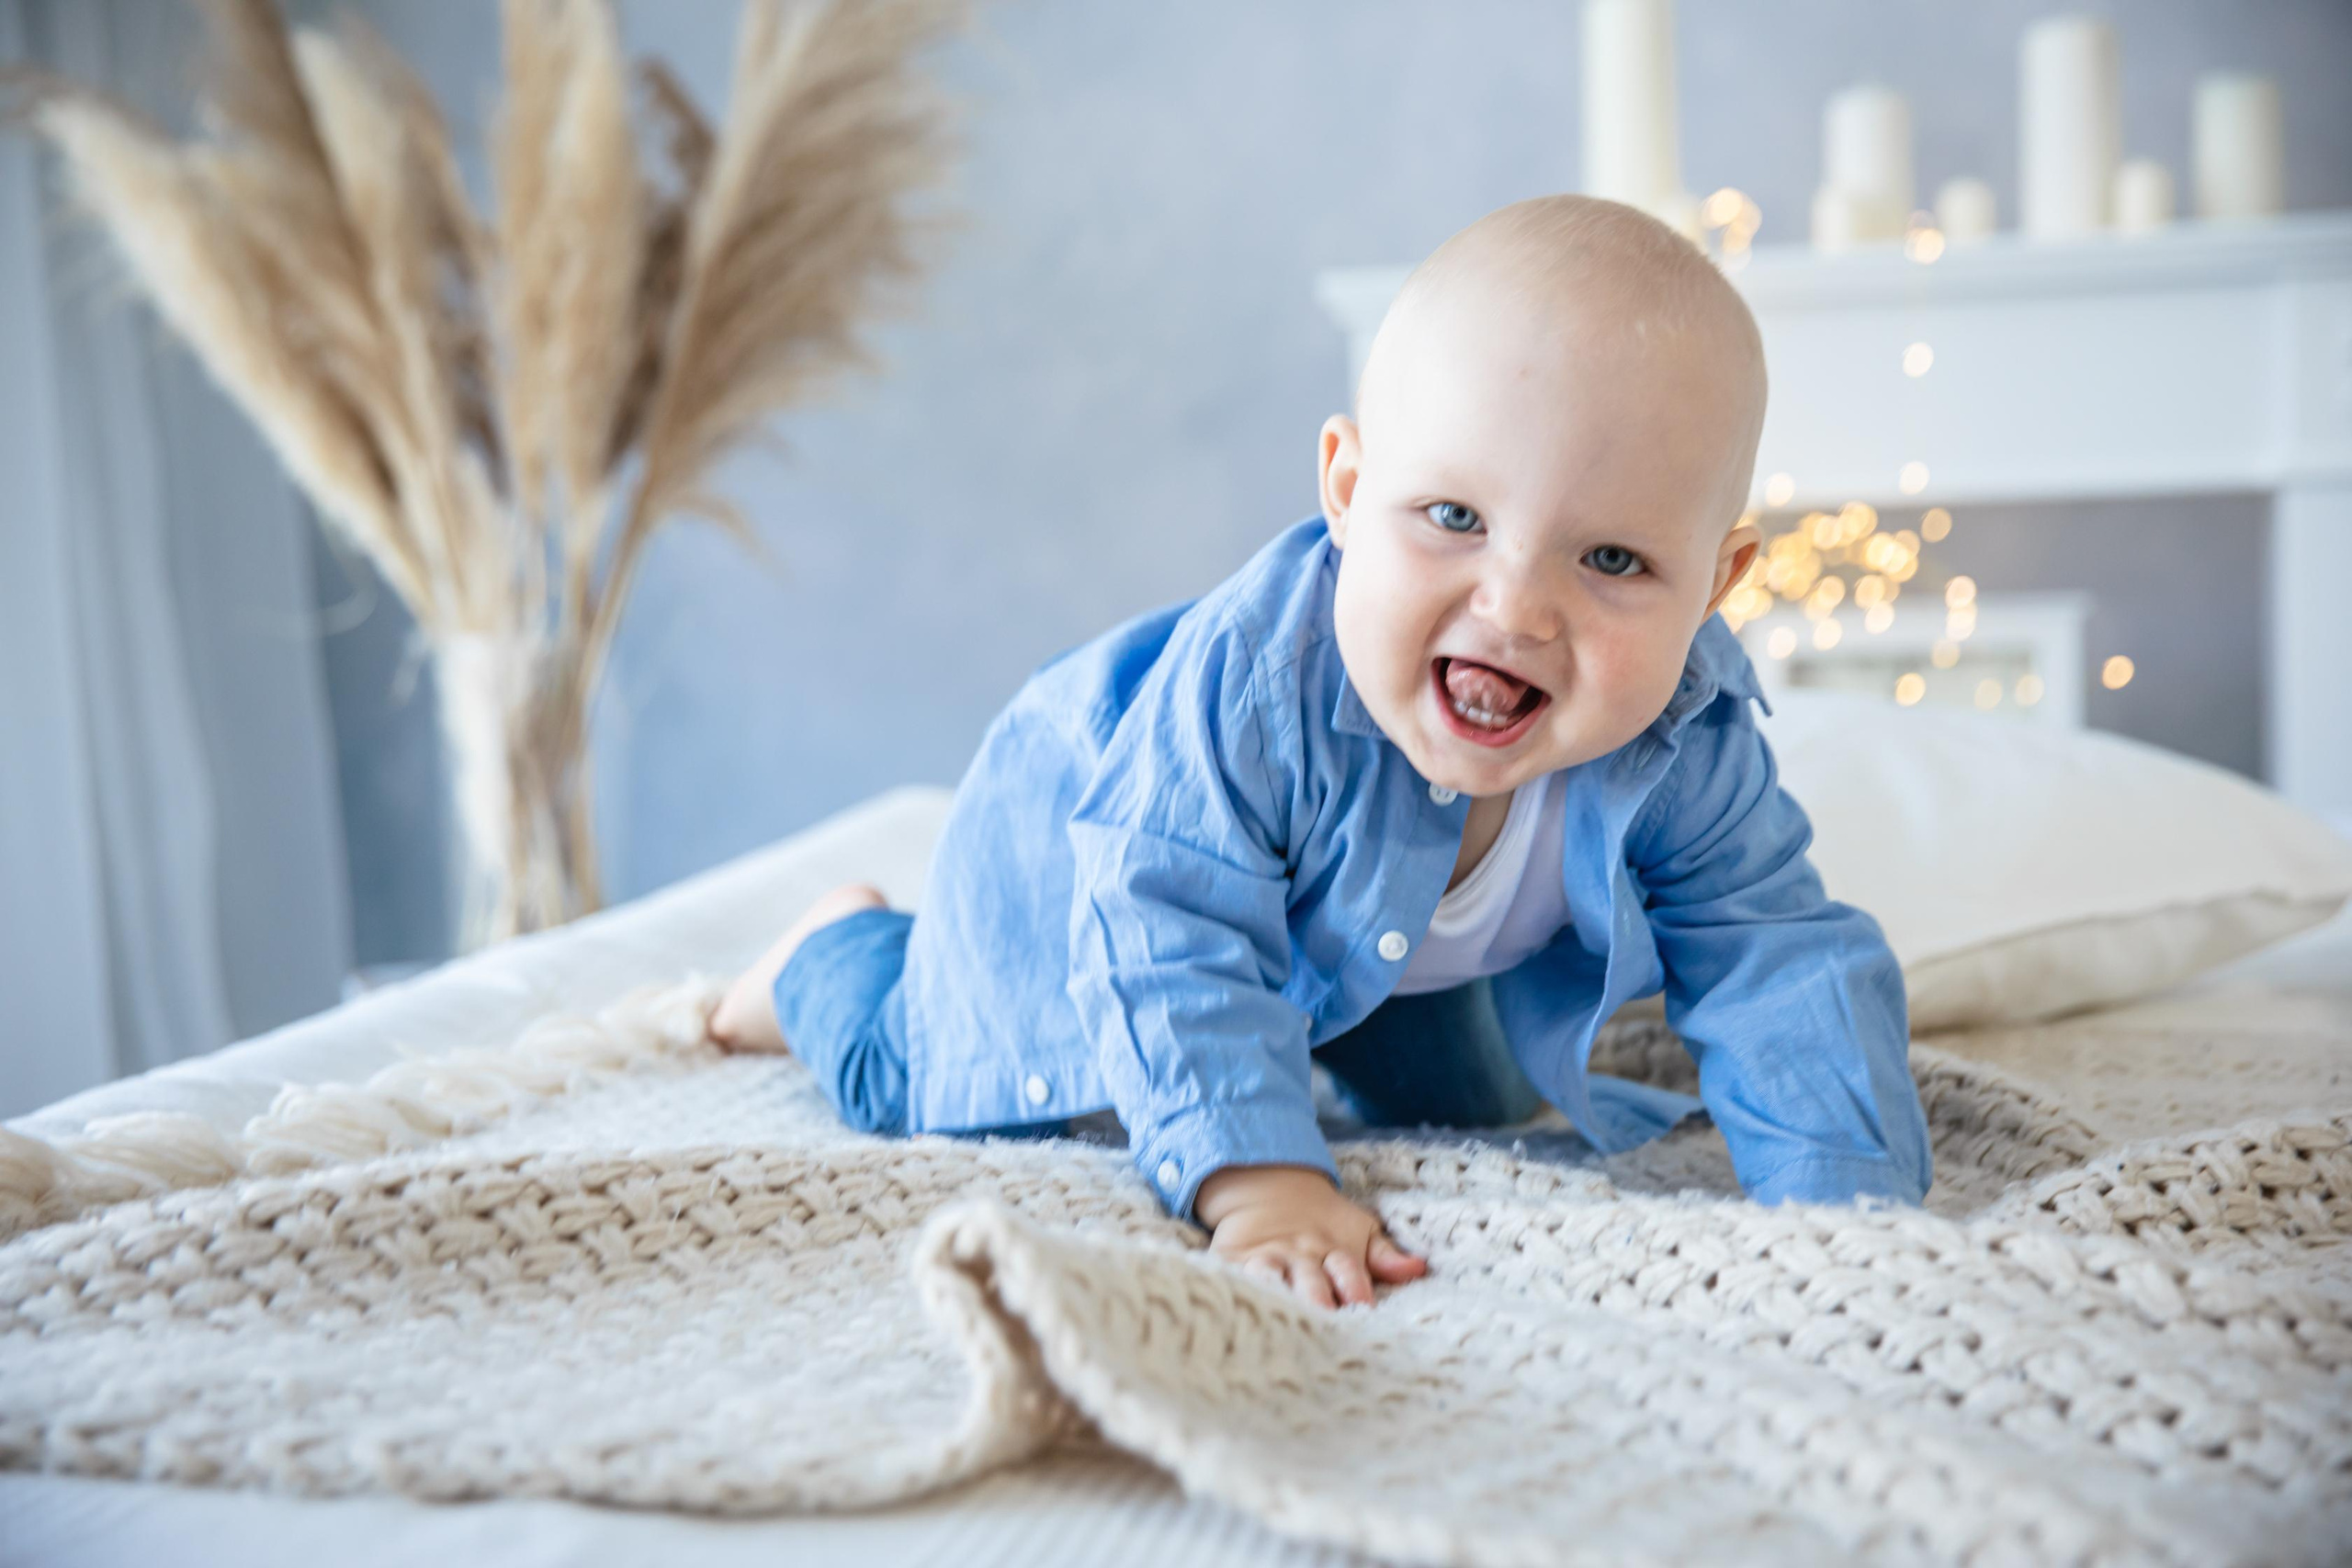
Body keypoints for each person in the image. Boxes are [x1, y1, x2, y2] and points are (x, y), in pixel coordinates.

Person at [708, 193, 1932, 1310]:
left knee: (1480, 1107)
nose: (1514, 609)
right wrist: (1259, 1181)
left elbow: (1774, 959)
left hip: (1363, 952)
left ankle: (1298, 1034)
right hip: (1086, 852)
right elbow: (1164, 919)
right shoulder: (1258, 687)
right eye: (1453, 517)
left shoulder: (1686, 739)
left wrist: (1847, 1207)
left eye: (1613, 560)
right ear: (1347, 489)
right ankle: (830, 949)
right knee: (923, 1084)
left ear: (1715, 587)